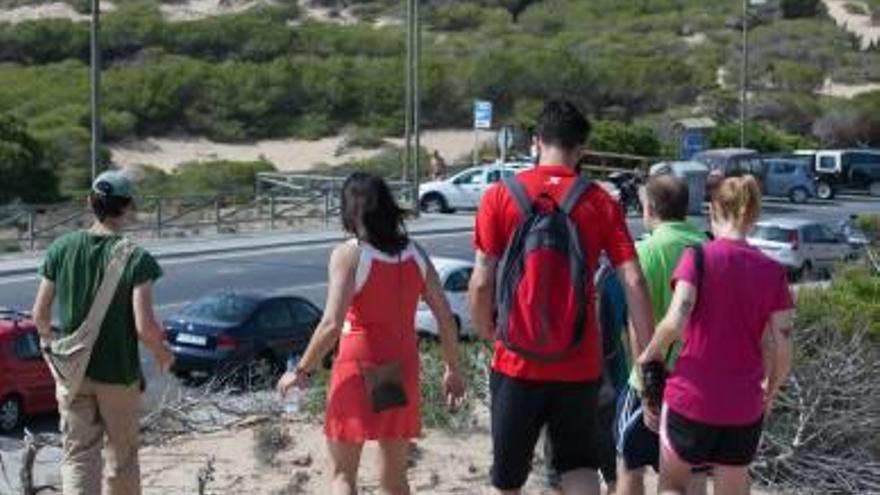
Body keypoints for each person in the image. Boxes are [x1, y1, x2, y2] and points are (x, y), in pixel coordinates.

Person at [468, 100, 655, 495]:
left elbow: (483, 277)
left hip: (516, 359)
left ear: (537, 142)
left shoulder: (499, 197)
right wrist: (649, 355)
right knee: (579, 466)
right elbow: (634, 280)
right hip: (579, 360)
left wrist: (486, 328)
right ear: (581, 149)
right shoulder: (601, 202)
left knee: (508, 478)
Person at [276, 172, 466, 495]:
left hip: (358, 364)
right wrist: (452, 369)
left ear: (349, 209)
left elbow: (331, 324)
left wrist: (301, 371)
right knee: (395, 477)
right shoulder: (414, 253)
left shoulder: (350, 254)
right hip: (399, 365)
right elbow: (445, 318)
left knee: (342, 475)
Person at [639, 176, 794, 495]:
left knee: (672, 485)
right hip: (744, 402)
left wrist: (650, 353)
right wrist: (772, 389)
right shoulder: (773, 271)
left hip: (691, 397)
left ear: (713, 212)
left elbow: (675, 320)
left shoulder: (698, 257)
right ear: (753, 216)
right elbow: (783, 345)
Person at [31, 170, 174, 495]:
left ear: (89, 203)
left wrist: (55, 354)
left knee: (79, 457)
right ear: (128, 206)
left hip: (74, 375)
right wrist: (164, 355)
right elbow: (145, 328)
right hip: (117, 375)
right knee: (122, 459)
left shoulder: (61, 248)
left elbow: (39, 316)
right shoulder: (137, 258)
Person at [615, 175, 708, 495]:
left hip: (652, 378)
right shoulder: (708, 248)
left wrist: (647, 385)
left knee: (630, 463)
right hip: (698, 382)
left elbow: (637, 324)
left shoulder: (646, 251)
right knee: (691, 471)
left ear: (650, 208)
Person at [545, 259, 631, 494]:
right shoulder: (614, 276)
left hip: (561, 383)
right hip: (608, 381)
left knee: (561, 469)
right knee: (612, 465)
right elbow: (629, 326)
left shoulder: (551, 268)